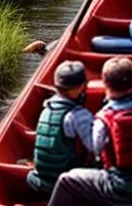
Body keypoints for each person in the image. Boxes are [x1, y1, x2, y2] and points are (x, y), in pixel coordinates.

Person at [49, 57, 132, 206]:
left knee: (67, 179)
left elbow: (95, 149)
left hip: (119, 187)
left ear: (105, 83)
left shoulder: (103, 119)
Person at [27, 61, 94, 194]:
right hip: (65, 183)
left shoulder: (46, 108)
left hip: (37, 181)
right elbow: (96, 148)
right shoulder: (77, 115)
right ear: (80, 87)